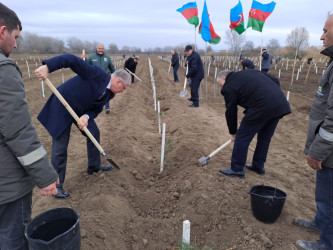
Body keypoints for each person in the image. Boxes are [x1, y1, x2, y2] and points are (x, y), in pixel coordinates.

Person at [0, 3, 59, 249]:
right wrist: (45, 176)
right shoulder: (3, 70)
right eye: (15, 37)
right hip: (7, 185)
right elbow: (18, 132)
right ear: (3, 31)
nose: (15, 45)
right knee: (12, 240)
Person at [35, 54, 131, 199]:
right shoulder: (96, 74)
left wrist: (86, 117)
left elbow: (96, 109)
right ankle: (57, 185)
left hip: (80, 111)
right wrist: (48, 67)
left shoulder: (110, 94)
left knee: (94, 133)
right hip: (63, 105)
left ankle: (94, 166)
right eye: (123, 88)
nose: (123, 91)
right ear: (118, 81)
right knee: (60, 147)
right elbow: (71, 60)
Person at [293, 14, 333, 250]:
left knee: (329, 198)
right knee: (324, 193)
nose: (321, 36)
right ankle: (320, 223)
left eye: (326, 31)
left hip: (329, 151)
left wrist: (317, 151)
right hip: (327, 151)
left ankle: (327, 243)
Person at [217, 69, 291, 178]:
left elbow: (231, 111)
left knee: (242, 136)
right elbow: (275, 80)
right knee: (264, 137)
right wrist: (271, 94)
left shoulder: (229, 85)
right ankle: (258, 165)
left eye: (221, 85)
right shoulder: (250, 72)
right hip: (279, 104)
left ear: (224, 78)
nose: (222, 88)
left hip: (261, 106)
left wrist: (233, 133)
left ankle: (237, 169)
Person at [82, 44, 115, 114]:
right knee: (96, 93)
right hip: (95, 78)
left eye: (102, 48)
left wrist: (115, 75)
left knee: (106, 92)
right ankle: (95, 107)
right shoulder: (91, 57)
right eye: (99, 48)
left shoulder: (107, 58)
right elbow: (85, 66)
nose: (101, 50)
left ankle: (107, 108)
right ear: (96, 49)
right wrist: (83, 59)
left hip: (106, 78)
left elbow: (112, 68)